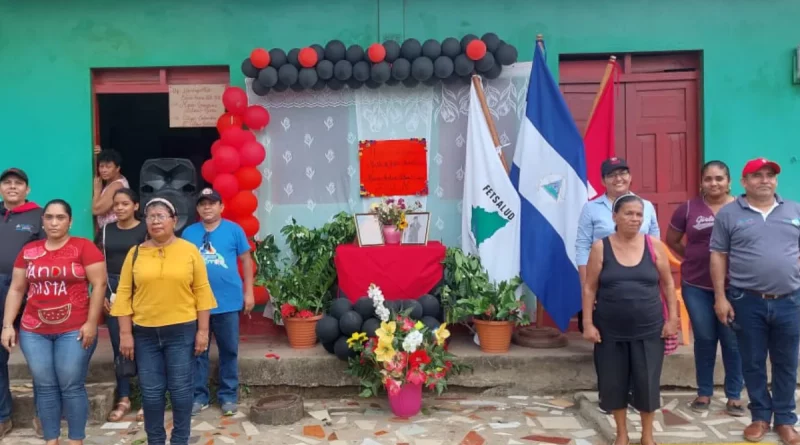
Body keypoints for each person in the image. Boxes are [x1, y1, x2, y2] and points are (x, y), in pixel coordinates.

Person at [110, 197, 217, 445]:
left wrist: (203, 331)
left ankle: (180, 439)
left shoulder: (189, 251)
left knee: (180, 391)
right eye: (151, 216)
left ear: (174, 220)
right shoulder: (135, 254)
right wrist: (126, 334)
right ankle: (155, 440)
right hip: (145, 333)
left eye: (161, 215)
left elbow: (202, 291)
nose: (156, 221)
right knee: (151, 392)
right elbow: (124, 294)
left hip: (182, 331)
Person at [1, 199, 106, 445]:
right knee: (45, 385)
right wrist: (7, 324)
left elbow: (99, 284)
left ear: (70, 221)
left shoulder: (84, 247)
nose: (54, 222)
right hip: (33, 329)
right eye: (49, 217)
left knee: (71, 384)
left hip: (75, 328)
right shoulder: (29, 250)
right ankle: (51, 440)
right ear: (43, 221)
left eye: (60, 217)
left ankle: (76, 440)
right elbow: (17, 289)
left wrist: (92, 323)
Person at [711, 158, 800, 444]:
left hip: (790, 301)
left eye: (770, 175)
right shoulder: (729, 214)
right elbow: (718, 255)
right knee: (752, 361)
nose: (765, 180)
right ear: (744, 182)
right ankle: (760, 416)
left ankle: (785, 419)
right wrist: (720, 297)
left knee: (787, 362)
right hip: (746, 301)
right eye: (757, 175)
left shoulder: (794, 210)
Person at [582, 193, 678, 445]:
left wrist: (673, 319)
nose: (635, 219)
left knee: (647, 384)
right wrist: (588, 323)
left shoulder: (654, 246)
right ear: (614, 216)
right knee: (614, 384)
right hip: (609, 331)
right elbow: (590, 288)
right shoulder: (600, 247)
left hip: (649, 330)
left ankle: (647, 436)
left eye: (639, 214)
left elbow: (668, 284)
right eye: (629, 213)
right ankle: (621, 434)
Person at [665, 160, 744, 416]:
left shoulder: (742, 208)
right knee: (705, 339)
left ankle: (734, 395)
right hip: (696, 284)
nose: (714, 183)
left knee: (732, 341)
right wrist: (693, 257)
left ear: (728, 181)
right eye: (708, 179)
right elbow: (672, 240)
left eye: (719, 178)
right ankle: (704, 392)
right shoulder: (688, 209)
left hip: (735, 285)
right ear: (701, 182)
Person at [182, 188, 254, 416]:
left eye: (212, 203)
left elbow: (245, 261)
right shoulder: (188, 233)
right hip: (195, 303)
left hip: (228, 301)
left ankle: (228, 396)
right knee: (197, 350)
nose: (207, 207)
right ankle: (199, 396)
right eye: (202, 204)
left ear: (221, 207)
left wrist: (249, 292)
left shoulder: (234, 230)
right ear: (197, 209)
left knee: (229, 350)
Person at [576, 157, 660, 333]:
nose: (618, 178)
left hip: (640, 275)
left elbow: (655, 244)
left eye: (623, 173)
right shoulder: (591, 208)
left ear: (630, 177)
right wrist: (586, 283)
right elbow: (583, 246)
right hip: (604, 275)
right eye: (611, 175)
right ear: (602, 181)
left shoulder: (646, 206)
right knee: (606, 328)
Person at [95, 188, 147, 422]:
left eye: (125, 204)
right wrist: (101, 293)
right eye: (116, 204)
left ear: (136, 206)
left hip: (142, 288)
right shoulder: (106, 231)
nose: (119, 208)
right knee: (120, 346)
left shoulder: (146, 230)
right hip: (113, 289)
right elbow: (97, 264)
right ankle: (124, 397)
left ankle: (148, 398)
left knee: (146, 345)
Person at [0, 167, 44, 437]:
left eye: (18, 183)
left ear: (27, 190)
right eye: (7, 183)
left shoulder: (40, 216)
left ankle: (43, 414)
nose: (12, 187)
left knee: (36, 354)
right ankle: (3, 416)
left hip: (29, 289)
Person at [92, 149, 129, 228]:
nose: (104, 170)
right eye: (101, 166)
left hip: (114, 231)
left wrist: (97, 191)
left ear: (117, 168)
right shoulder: (112, 181)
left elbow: (97, 210)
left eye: (108, 167)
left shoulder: (117, 185)